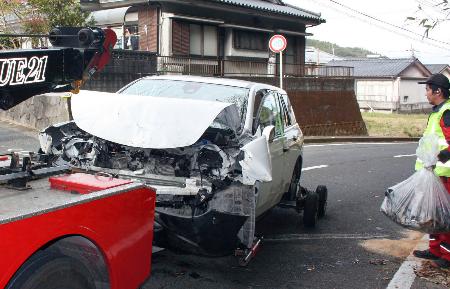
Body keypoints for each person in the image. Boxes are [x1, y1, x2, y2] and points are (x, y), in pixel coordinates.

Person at [413, 73, 450, 269]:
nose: (426, 93)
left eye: (428, 89)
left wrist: (443, 155)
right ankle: (436, 250)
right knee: (435, 213)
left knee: (446, 215)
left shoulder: (447, 112)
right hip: (437, 172)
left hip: (447, 173)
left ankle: (448, 256)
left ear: (438, 91)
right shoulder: (437, 111)